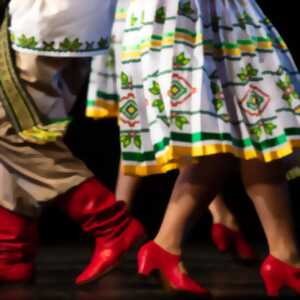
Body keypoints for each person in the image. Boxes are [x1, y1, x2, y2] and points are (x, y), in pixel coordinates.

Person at [108, 0, 300, 296]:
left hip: (217, 11)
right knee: (223, 142)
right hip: (182, 13)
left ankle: (284, 255)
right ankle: (165, 246)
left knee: (263, 124)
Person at [87, 0, 256, 263]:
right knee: (168, 117)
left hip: (140, 15)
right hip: (153, 15)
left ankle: (122, 223)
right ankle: (220, 219)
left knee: (165, 118)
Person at [0, 0, 145, 286]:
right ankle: (11, 254)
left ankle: (110, 223)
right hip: (81, 21)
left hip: (48, 17)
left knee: (12, 127)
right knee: (34, 129)